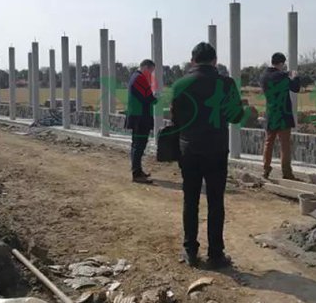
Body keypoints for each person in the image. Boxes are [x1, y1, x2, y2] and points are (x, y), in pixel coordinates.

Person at [171, 42, 247, 268]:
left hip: (189, 149)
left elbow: (176, 120)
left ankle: (190, 251)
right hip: (216, 149)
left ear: (192, 60)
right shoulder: (226, 83)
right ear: (215, 60)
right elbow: (236, 117)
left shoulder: (180, 84)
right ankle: (215, 254)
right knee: (215, 201)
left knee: (190, 199)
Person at [259, 52, 301, 179]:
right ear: (281, 63)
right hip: (284, 114)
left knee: (268, 143)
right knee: (285, 145)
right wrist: (295, 77)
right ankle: (286, 173)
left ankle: (266, 169)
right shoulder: (282, 76)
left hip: (271, 113)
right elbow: (295, 88)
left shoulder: (264, 77)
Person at [125, 59, 157, 183]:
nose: (151, 74)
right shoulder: (140, 78)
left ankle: (137, 170)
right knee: (139, 145)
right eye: (151, 71)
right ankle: (136, 173)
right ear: (145, 67)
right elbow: (148, 98)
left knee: (136, 144)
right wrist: (156, 98)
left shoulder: (134, 77)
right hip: (141, 118)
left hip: (137, 116)